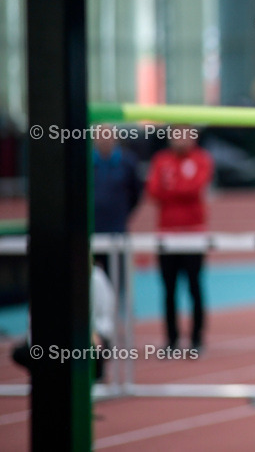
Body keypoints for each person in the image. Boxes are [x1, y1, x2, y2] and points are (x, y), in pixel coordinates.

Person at [146, 126, 214, 352]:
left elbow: (194, 188)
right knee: (168, 290)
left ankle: (197, 339)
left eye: (185, 134)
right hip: (167, 234)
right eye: (176, 135)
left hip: (194, 234)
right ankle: (171, 339)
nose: (181, 139)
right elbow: (153, 190)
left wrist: (172, 187)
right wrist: (176, 188)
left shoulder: (201, 159)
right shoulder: (161, 159)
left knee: (195, 286)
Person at [92, 124, 143, 299]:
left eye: (108, 135)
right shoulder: (85, 162)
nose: (104, 140)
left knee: (119, 280)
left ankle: (119, 311)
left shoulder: (127, 162)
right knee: (88, 280)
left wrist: (123, 214)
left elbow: (136, 193)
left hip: (117, 229)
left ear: (115, 138)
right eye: (100, 135)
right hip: (90, 231)